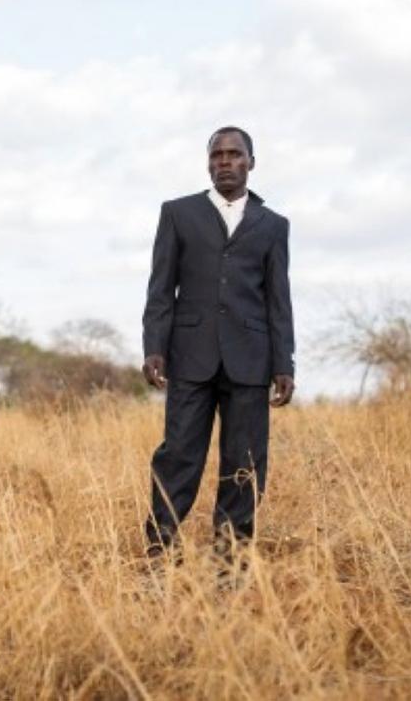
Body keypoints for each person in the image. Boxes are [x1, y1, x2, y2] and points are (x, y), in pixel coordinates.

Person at [141, 125, 295, 558]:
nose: (224, 161)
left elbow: (278, 300)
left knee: (244, 463)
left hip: (251, 360)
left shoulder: (273, 225)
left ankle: (231, 563)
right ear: (208, 162)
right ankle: (160, 554)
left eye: (234, 154)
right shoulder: (177, 213)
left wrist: (284, 363)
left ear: (251, 162)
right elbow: (160, 289)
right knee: (178, 457)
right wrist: (154, 346)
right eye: (216, 155)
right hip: (189, 357)